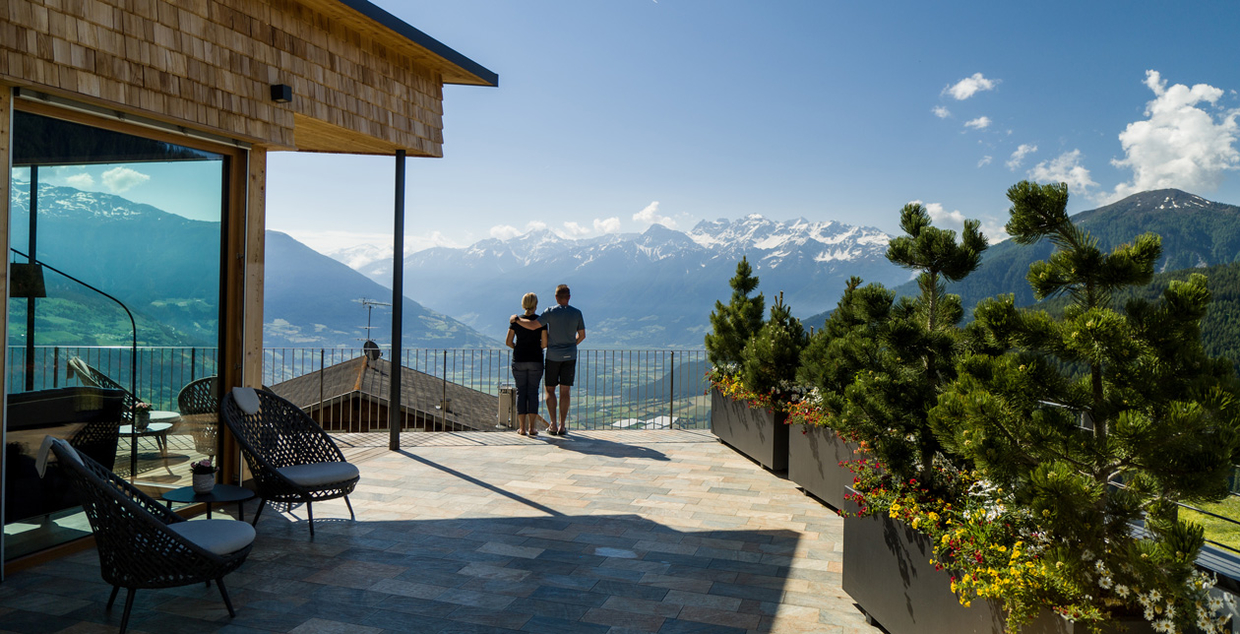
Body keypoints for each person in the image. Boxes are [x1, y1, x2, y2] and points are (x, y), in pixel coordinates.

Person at [512, 284, 585, 435]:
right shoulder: (577, 313)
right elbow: (582, 335)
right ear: (569, 297)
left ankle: (552, 424)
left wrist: (517, 320)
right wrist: (572, 345)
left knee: (550, 390)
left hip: (553, 356)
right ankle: (562, 425)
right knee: (565, 391)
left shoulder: (550, 312)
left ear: (556, 297)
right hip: (570, 356)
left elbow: (533, 326)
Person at [506, 292, 547, 436]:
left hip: (519, 360)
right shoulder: (541, 322)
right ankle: (532, 428)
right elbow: (545, 343)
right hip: (536, 360)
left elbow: (508, 341)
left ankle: (522, 428)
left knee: (521, 392)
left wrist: (518, 348)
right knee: (533, 393)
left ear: (523, 304)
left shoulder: (515, 321)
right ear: (536, 305)